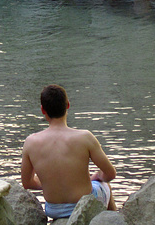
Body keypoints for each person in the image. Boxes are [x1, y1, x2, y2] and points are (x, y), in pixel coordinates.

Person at [21, 84, 117, 219]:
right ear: (68, 105)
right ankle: (115, 220)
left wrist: (51, 183)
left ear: (43, 110)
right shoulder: (85, 137)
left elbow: (27, 183)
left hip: (53, 209)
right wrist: (96, 177)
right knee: (105, 186)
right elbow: (110, 173)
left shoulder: (30, 142)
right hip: (82, 205)